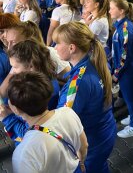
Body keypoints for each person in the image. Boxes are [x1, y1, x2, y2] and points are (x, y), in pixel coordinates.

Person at [53, 21, 116, 172]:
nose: (55, 47)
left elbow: (62, 122)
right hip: (104, 132)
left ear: (72, 47)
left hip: (92, 142)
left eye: (57, 43)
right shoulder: (95, 61)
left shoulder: (78, 83)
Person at [4, 72, 88, 173]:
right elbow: (84, 145)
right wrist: (81, 163)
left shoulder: (23, 153)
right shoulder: (68, 113)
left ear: (16, 110)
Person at [109, 0, 133, 138]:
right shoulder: (119, 25)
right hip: (125, 70)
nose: (109, 10)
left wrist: (117, 73)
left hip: (127, 70)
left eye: (112, 8)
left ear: (121, 10)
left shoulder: (125, 28)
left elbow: (125, 55)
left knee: (131, 97)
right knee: (132, 96)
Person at [7, 40, 60, 110]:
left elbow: (32, 119)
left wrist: (8, 116)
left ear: (31, 66)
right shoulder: (37, 82)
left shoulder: (43, 91)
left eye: (15, 67)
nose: (13, 71)